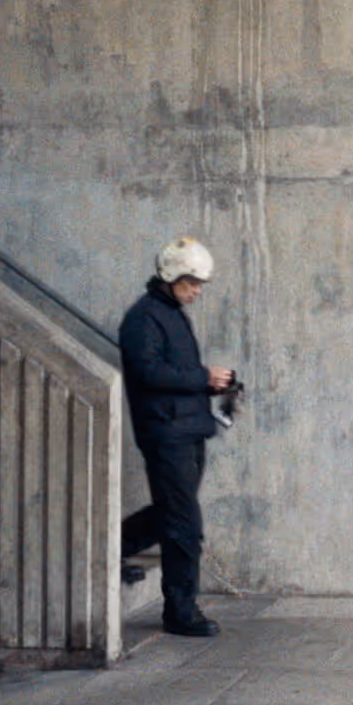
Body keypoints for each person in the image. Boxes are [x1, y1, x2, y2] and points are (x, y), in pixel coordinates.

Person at [118, 238, 235, 637]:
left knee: (171, 512)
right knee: (183, 521)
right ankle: (180, 611)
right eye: (192, 282)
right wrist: (202, 377)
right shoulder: (144, 318)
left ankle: (108, 548)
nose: (197, 290)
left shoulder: (170, 313)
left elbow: (171, 374)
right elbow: (147, 373)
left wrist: (210, 386)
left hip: (186, 429)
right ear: (170, 278)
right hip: (167, 433)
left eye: (200, 283)